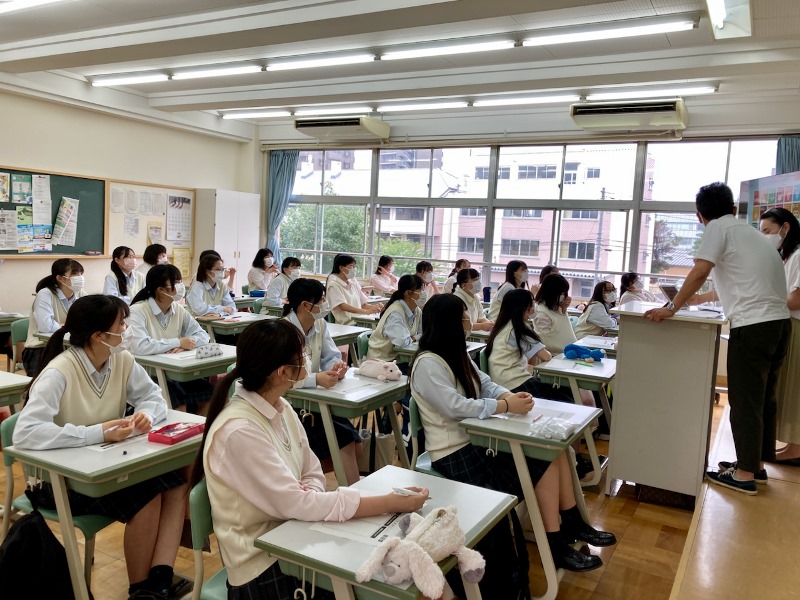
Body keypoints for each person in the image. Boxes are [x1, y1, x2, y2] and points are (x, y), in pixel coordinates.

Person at [192, 319, 428, 600]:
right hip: (261, 566)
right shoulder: (239, 432)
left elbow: (312, 471)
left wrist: (306, 498)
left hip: (298, 536)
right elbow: (299, 503)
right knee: (371, 586)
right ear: (283, 372)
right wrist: (388, 502)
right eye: (302, 355)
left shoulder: (281, 406)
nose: (307, 359)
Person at [410, 294, 615, 574]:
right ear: (449, 324)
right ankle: (555, 543)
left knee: (553, 452)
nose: (469, 321)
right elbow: (454, 407)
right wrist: (504, 406)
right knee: (540, 463)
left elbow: (485, 383)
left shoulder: (455, 353)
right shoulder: (427, 364)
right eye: (463, 317)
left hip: (477, 439)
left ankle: (572, 523)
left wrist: (509, 396)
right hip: (454, 453)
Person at [14, 294, 187, 600]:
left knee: (176, 483)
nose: (127, 330)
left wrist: (146, 414)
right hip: (64, 481)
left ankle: (159, 579)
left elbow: (153, 396)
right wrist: (98, 433)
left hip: (106, 466)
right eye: (121, 324)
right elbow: (26, 433)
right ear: (98, 335)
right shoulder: (60, 371)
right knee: (148, 494)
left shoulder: (121, 359)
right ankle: (140, 589)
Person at [646, 182, 791, 495]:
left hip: (753, 325)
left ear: (699, 216)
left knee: (745, 400)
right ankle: (755, 465)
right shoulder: (751, 233)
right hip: (779, 324)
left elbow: (700, 271)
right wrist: (698, 299)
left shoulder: (717, 228)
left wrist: (672, 307)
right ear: (734, 209)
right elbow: (742, 279)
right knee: (763, 399)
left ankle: (744, 474)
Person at [282, 278, 363, 484]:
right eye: (321, 300)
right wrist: (316, 378)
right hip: (290, 407)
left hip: (315, 402)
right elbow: (283, 376)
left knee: (356, 443)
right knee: (344, 441)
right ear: (305, 305)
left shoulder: (319, 323)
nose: (325, 304)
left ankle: (346, 489)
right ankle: (354, 495)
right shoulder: (283, 331)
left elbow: (331, 355)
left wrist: (337, 367)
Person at [129, 265, 213, 414]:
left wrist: (187, 344)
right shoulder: (137, 311)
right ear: (161, 290)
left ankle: (201, 429)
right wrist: (178, 342)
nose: (181, 286)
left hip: (173, 371)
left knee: (211, 394)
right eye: (176, 282)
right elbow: (141, 346)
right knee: (178, 402)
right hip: (147, 374)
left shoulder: (178, 309)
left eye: (180, 281)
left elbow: (203, 335)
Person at [486, 289, 580, 403]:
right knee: (569, 397)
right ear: (524, 308)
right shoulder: (519, 329)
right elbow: (546, 356)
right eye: (531, 303)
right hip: (516, 384)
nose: (534, 306)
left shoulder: (501, 326)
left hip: (502, 384)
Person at [759, 207, 800, 464]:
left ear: (785, 228)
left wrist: (766, 301)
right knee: (790, 387)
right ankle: (793, 445)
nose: (765, 237)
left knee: (795, 388)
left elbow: (796, 299)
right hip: (788, 323)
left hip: (796, 323)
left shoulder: (799, 255)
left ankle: (796, 449)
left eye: (768, 231)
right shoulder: (788, 256)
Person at [23, 258, 86, 377]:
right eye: (74, 274)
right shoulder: (45, 294)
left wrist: (64, 325)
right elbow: (46, 327)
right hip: (40, 349)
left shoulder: (80, 293)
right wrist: (70, 326)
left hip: (67, 347)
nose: (80, 278)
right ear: (60, 278)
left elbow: (90, 319)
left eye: (81, 274)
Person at [367, 274, 423, 368]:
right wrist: (415, 337)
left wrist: (413, 338)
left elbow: (423, 333)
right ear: (408, 293)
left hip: (400, 360)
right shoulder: (395, 313)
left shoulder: (417, 310)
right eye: (420, 291)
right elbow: (401, 342)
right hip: (383, 362)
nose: (423, 294)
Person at [326, 254, 382, 326]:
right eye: (351, 266)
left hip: (361, 319)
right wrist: (366, 312)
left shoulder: (353, 285)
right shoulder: (333, 285)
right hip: (348, 324)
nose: (354, 269)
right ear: (341, 268)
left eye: (355, 266)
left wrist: (376, 308)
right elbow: (343, 306)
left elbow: (363, 305)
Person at [533, 274, 578, 355]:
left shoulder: (556, 308)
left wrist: (564, 309)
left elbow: (564, 329)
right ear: (552, 292)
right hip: (556, 356)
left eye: (564, 293)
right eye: (561, 293)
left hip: (566, 353)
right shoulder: (542, 313)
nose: (563, 296)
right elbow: (548, 342)